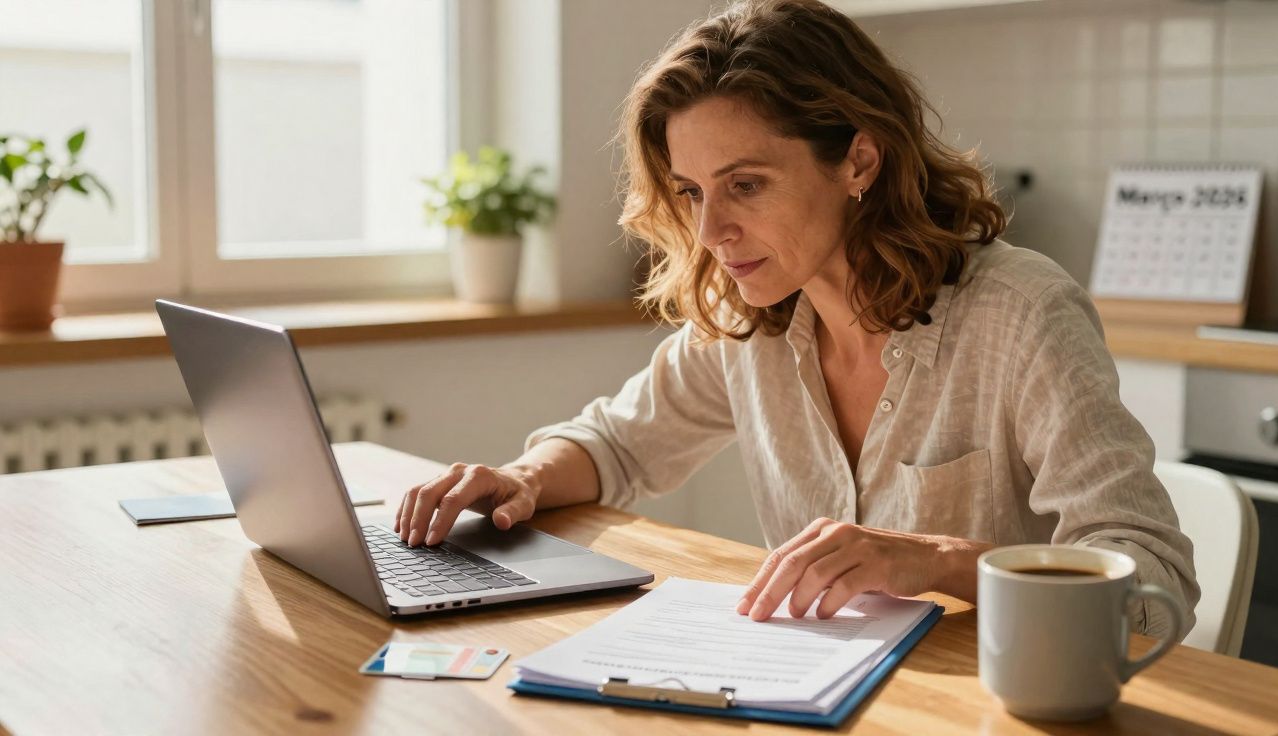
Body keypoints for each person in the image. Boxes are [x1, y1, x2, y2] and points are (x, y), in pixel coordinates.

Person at [396, 0, 1199, 637]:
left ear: (858, 160)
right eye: (692, 192)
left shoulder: (1021, 314)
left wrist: (936, 560)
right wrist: (521, 479)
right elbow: (615, 443)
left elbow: (1153, 580)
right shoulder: (753, 321)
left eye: (745, 185)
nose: (710, 234)